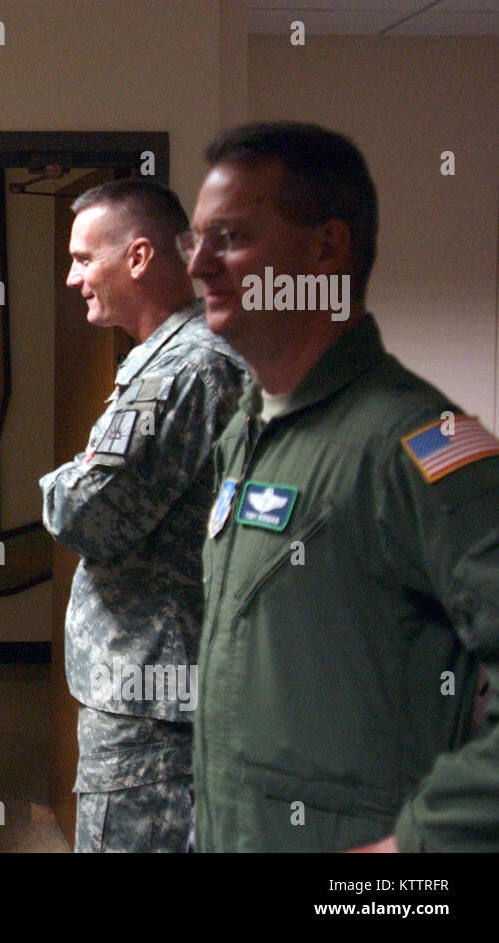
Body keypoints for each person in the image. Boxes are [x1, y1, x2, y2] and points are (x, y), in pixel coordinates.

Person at [186, 120, 499, 852]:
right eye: (193, 240)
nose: (199, 265)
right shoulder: (248, 430)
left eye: (228, 238)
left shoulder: (431, 442)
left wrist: (421, 843)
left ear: (326, 248)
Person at [39, 179, 248, 852]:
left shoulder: (180, 370)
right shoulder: (170, 357)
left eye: (82, 259)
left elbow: (89, 515)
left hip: (151, 693)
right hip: (159, 676)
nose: (72, 278)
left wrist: (63, 481)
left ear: (137, 258)